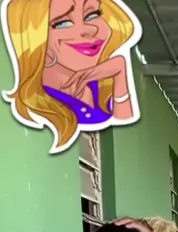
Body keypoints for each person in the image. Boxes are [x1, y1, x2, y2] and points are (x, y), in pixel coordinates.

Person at [2, 0, 141, 153]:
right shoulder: (39, 106)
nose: (89, 29)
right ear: (35, 40)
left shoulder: (103, 87)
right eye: (62, 23)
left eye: (92, 14)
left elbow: (128, 141)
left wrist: (120, 72)